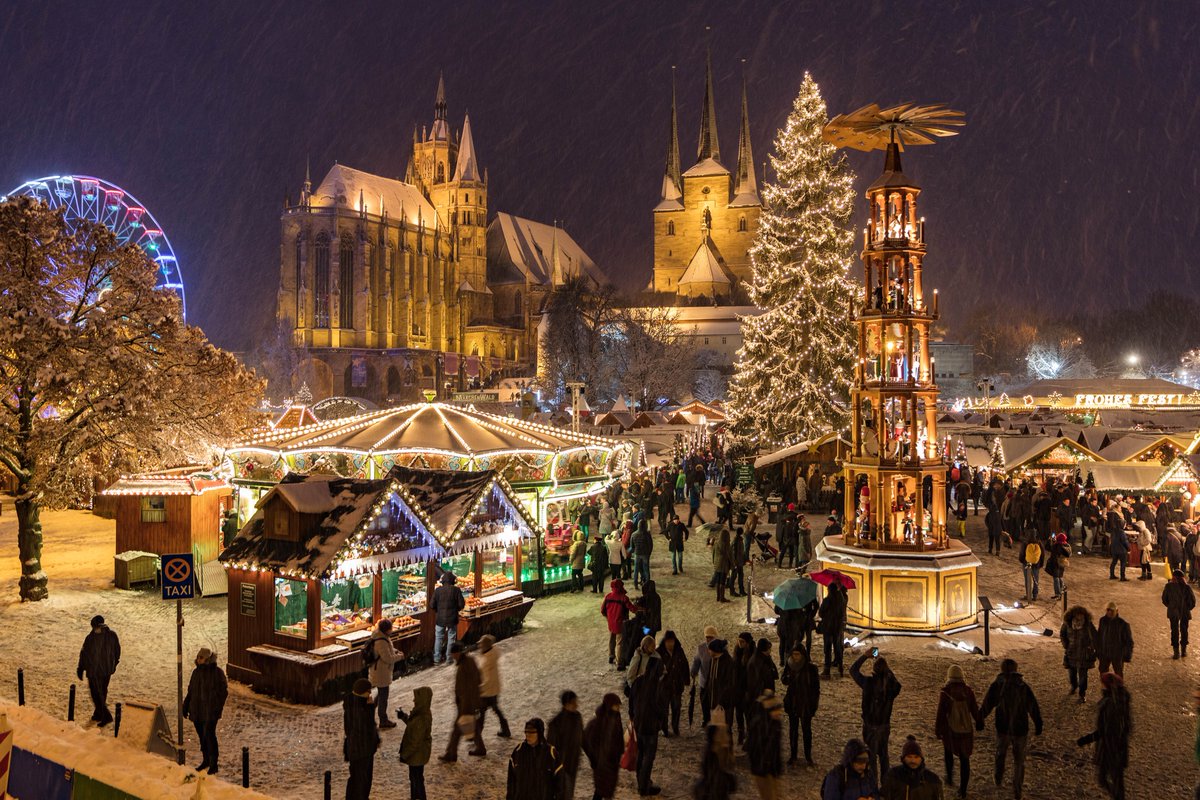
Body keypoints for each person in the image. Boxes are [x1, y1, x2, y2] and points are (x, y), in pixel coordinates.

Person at [978, 658, 1042, 800]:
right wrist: (1038, 723)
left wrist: (980, 718)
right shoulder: (1023, 687)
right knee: (1019, 760)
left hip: (1003, 727)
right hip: (1020, 729)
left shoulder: (997, 686)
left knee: (1000, 754)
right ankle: (1017, 788)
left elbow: (987, 704)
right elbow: (1033, 707)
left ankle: (998, 778)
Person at [1076, 672, 1133, 800]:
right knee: (1117, 779)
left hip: (1110, 747)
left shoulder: (1109, 704)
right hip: (1120, 745)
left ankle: (1118, 797)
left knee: (1104, 778)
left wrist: (1085, 740)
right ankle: (1118, 796)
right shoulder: (1123, 698)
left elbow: (1104, 730)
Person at [850, 651, 902, 781]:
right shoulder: (891, 687)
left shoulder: (868, 683)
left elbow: (853, 670)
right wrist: (887, 669)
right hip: (884, 725)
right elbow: (897, 684)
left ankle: (872, 784)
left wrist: (865, 656)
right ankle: (885, 784)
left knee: (871, 757)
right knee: (884, 756)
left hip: (870, 726)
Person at [934, 664, 980, 799]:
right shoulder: (968, 691)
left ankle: (949, 776)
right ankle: (963, 789)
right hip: (966, 730)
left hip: (950, 730)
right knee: (965, 759)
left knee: (948, 751)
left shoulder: (946, 693)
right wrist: (979, 721)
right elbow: (975, 710)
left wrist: (938, 729)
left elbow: (941, 713)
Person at [182, 647, 228, 775]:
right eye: (198, 657)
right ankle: (206, 760)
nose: (198, 659)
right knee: (202, 736)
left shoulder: (217, 673)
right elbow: (191, 691)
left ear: (207, 659)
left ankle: (213, 763)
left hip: (210, 712)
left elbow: (223, 692)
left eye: (201, 657)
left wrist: (217, 708)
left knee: (209, 735)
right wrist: (185, 706)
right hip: (197, 711)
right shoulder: (196, 673)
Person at [629, 635, 664, 796]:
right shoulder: (656, 686)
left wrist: (633, 716)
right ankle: (644, 786)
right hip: (650, 725)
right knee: (649, 756)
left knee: (641, 753)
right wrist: (661, 719)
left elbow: (631, 701)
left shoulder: (638, 682)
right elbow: (658, 706)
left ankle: (641, 781)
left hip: (638, 722)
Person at [440, 641, 485, 761]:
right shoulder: (468, 661)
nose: (453, 657)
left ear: (458, 653)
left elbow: (468, 687)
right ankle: (480, 748)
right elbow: (478, 680)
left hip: (466, 704)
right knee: (471, 726)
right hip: (469, 702)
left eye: (454, 654)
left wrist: (464, 705)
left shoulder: (465, 665)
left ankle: (451, 753)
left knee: (457, 729)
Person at [76, 614, 120, 727]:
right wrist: (114, 664)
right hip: (105, 670)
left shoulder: (92, 638)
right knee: (102, 692)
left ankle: (106, 716)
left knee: (96, 694)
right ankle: (99, 714)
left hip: (96, 671)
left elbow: (84, 654)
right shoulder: (111, 635)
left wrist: (81, 668)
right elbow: (117, 650)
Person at [781, 644, 820, 766]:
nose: (795, 657)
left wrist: (813, 705)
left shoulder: (811, 669)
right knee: (793, 730)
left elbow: (815, 689)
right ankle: (793, 755)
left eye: (797, 654)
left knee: (806, 731)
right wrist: (787, 677)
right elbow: (784, 680)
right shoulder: (790, 665)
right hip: (793, 703)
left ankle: (808, 756)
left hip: (805, 704)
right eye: (794, 654)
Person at [506, 718, 562, 800]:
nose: (528, 734)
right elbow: (511, 782)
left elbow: (560, 784)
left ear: (540, 733)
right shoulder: (518, 751)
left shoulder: (551, 753)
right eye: (526, 731)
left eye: (532, 732)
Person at [343, 678, 380, 800]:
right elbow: (364, 728)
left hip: (358, 749)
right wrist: (370, 708)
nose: (370, 694)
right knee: (361, 780)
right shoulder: (359, 707)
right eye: (368, 692)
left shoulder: (353, 703)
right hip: (362, 750)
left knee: (357, 778)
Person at [582, 692, 624, 800]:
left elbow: (618, 736)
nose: (618, 708)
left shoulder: (616, 718)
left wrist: (620, 750)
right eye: (616, 705)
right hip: (602, 763)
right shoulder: (597, 722)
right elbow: (584, 740)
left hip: (612, 762)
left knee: (605, 789)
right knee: (603, 790)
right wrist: (594, 758)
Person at [396, 686, 432, 800]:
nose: (414, 700)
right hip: (418, 754)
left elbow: (415, 742)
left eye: (416, 698)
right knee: (415, 778)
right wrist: (404, 717)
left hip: (417, 754)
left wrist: (405, 755)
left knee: (417, 780)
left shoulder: (421, 717)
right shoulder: (421, 712)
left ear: (422, 699)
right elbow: (413, 725)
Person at [747, 690, 784, 799]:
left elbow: (776, 748)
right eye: (776, 710)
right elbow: (755, 748)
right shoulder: (759, 725)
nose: (779, 713)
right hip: (762, 769)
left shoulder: (775, 724)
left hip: (771, 768)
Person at [366, 619, 402, 728]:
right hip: (381, 672)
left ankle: (369, 712)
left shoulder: (380, 636)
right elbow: (387, 658)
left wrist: (395, 651)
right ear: (387, 629)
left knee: (381, 694)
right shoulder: (380, 641)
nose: (392, 630)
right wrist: (400, 656)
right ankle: (383, 720)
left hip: (379, 671)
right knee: (383, 697)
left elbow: (388, 649)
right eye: (390, 628)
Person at [548, 691, 584, 800]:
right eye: (573, 702)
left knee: (569, 792)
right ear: (565, 704)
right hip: (562, 765)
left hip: (573, 762)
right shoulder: (556, 723)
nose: (576, 705)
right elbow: (550, 748)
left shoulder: (578, 717)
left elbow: (581, 737)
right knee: (563, 793)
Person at [476, 634, 512, 739]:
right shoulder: (493, 652)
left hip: (487, 691)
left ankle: (477, 737)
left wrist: (479, 689)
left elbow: (487, 680)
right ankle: (505, 729)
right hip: (494, 689)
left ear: (485, 646)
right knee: (495, 709)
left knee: (481, 713)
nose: (478, 644)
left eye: (481, 643)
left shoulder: (487, 661)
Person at [1061, 605, 1098, 702]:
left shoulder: (1088, 624)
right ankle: (1074, 686)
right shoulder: (1067, 624)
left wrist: (1092, 648)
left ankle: (1082, 694)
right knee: (1072, 673)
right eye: (1077, 614)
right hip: (1071, 653)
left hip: (1084, 654)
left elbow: (1095, 636)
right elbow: (1063, 634)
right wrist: (1066, 645)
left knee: (1083, 676)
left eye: (1081, 615)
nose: (1079, 617)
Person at [693, 723, 738, 800]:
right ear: (716, 739)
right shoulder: (712, 757)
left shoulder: (722, 754)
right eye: (723, 734)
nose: (727, 737)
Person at [657, 631, 690, 736]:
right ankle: (664, 729)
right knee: (664, 709)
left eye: (672, 641)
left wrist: (686, 680)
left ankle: (675, 727)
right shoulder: (659, 652)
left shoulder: (679, 651)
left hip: (676, 686)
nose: (670, 644)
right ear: (665, 642)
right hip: (664, 686)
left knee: (676, 707)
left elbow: (685, 664)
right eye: (668, 641)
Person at [601, 579, 638, 667]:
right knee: (620, 643)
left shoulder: (608, 597)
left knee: (611, 640)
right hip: (621, 624)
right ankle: (619, 662)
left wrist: (608, 618)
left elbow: (602, 610)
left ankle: (611, 656)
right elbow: (633, 609)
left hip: (611, 623)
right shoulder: (624, 598)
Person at [431, 572, 465, 665]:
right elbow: (461, 604)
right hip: (452, 618)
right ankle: (449, 658)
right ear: (453, 581)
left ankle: (437, 659)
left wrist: (438, 611)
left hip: (440, 619)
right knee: (451, 637)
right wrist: (455, 610)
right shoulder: (456, 590)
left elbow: (431, 605)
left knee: (438, 638)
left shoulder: (438, 590)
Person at [1164, 567, 1197, 658]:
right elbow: (1193, 601)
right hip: (1185, 612)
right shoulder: (1187, 587)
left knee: (1174, 630)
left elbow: (1164, 599)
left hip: (1173, 612)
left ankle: (1176, 653)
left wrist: (1171, 606)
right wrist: (1188, 608)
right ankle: (1183, 651)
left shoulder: (1168, 586)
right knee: (1184, 630)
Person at [706, 638, 738, 732]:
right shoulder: (713, 660)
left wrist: (721, 701)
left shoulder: (728, 663)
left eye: (710, 649)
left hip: (725, 704)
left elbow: (729, 684)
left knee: (725, 729)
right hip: (714, 701)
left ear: (715, 651)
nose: (708, 651)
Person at [818, 584, 848, 678]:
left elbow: (821, 613)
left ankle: (827, 670)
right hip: (838, 627)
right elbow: (842, 613)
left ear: (829, 590)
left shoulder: (827, 600)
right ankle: (840, 668)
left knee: (827, 648)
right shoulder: (842, 600)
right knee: (837, 647)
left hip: (828, 627)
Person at [1096, 601, 1133, 676]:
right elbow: (1099, 635)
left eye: (1111, 610)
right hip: (1104, 652)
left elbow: (1129, 641)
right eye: (1108, 610)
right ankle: (1105, 686)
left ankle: (1118, 687)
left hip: (1117, 654)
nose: (1109, 612)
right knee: (1103, 672)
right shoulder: (1102, 621)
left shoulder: (1123, 624)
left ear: (1116, 611)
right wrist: (1098, 650)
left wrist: (1126, 655)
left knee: (1118, 673)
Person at [745, 638, 779, 719]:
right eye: (769, 648)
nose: (770, 650)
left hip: (765, 694)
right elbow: (755, 681)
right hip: (761, 696)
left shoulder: (765, 658)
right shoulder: (757, 661)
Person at [692, 625, 718, 726]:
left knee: (715, 701)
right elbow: (697, 661)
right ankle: (706, 719)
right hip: (704, 680)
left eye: (711, 637)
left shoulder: (721, 647)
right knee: (704, 701)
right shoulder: (701, 648)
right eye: (707, 637)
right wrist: (694, 671)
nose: (708, 639)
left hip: (716, 680)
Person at [1018, 525, 1044, 602]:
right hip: (1036, 564)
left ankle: (1028, 594)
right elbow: (1042, 554)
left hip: (1027, 563)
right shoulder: (1039, 543)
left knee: (1027, 579)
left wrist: (1022, 561)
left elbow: (1022, 553)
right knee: (1036, 579)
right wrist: (1041, 563)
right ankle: (1035, 595)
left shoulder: (1025, 542)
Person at [1108, 504, 1130, 581]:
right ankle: (1122, 577)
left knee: (1114, 562)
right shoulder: (1122, 532)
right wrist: (1128, 548)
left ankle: (1111, 574)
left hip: (1114, 549)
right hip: (1121, 551)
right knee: (1123, 563)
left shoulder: (1114, 531)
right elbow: (1125, 541)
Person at [630, 520, 654, 590]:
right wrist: (649, 553)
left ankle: (635, 584)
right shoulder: (647, 534)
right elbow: (650, 545)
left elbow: (632, 546)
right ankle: (647, 584)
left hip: (637, 553)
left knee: (636, 570)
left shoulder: (634, 534)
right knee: (646, 569)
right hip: (645, 554)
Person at [1046, 532, 1071, 600]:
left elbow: (1048, 548)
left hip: (1056, 564)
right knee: (1060, 577)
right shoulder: (1067, 545)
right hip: (1062, 563)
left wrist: (1049, 540)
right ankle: (1062, 590)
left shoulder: (1057, 546)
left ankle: (1058, 594)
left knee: (1056, 578)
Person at [712, 527, 733, 603]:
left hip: (717, 565)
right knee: (722, 581)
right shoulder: (727, 545)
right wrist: (732, 565)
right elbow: (730, 556)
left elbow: (713, 554)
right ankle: (722, 597)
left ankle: (718, 597)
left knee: (718, 580)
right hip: (724, 565)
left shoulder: (716, 544)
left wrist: (714, 562)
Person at [727, 527, 747, 597]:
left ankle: (741, 590)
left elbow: (741, 551)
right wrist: (735, 562)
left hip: (739, 561)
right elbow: (735, 552)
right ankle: (732, 591)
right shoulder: (736, 541)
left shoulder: (740, 540)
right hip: (737, 562)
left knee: (740, 576)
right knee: (734, 577)